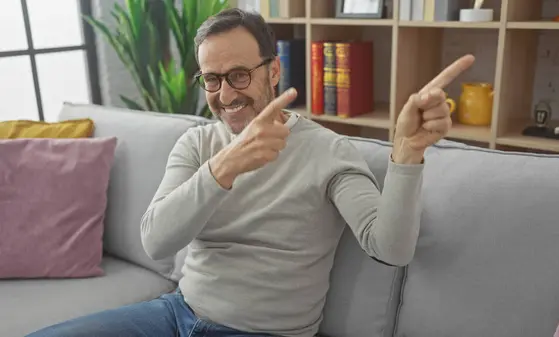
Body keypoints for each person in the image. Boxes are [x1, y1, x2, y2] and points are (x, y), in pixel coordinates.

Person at [28, 8, 474, 337]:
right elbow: (156, 239)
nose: (224, 94)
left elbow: (390, 247)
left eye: (239, 75)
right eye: (212, 79)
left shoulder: (328, 151)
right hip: (174, 315)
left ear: (274, 70)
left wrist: (407, 151)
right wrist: (226, 165)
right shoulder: (197, 144)